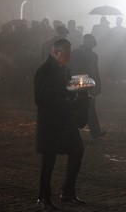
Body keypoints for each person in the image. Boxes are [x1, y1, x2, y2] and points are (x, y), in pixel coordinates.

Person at [34, 39, 88, 211]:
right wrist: (69, 101)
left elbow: (67, 90)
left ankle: (67, 193)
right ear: (56, 52)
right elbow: (41, 99)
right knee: (48, 160)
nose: (69, 56)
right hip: (51, 122)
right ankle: (43, 197)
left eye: (70, 52)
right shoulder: (44, 71)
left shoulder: (64, 69)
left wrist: (78, 96)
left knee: (77, 150)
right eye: (67, 53)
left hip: (65, 120)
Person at [70, 34, 107, 139]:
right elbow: (95, 71)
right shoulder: (92, 55)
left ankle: (74, 132)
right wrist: (98, 85)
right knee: (90, 108)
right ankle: (95, 132)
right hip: (87, 83)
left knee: (78, 107)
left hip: (78, 81)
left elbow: (71, 68)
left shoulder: (75, 53)